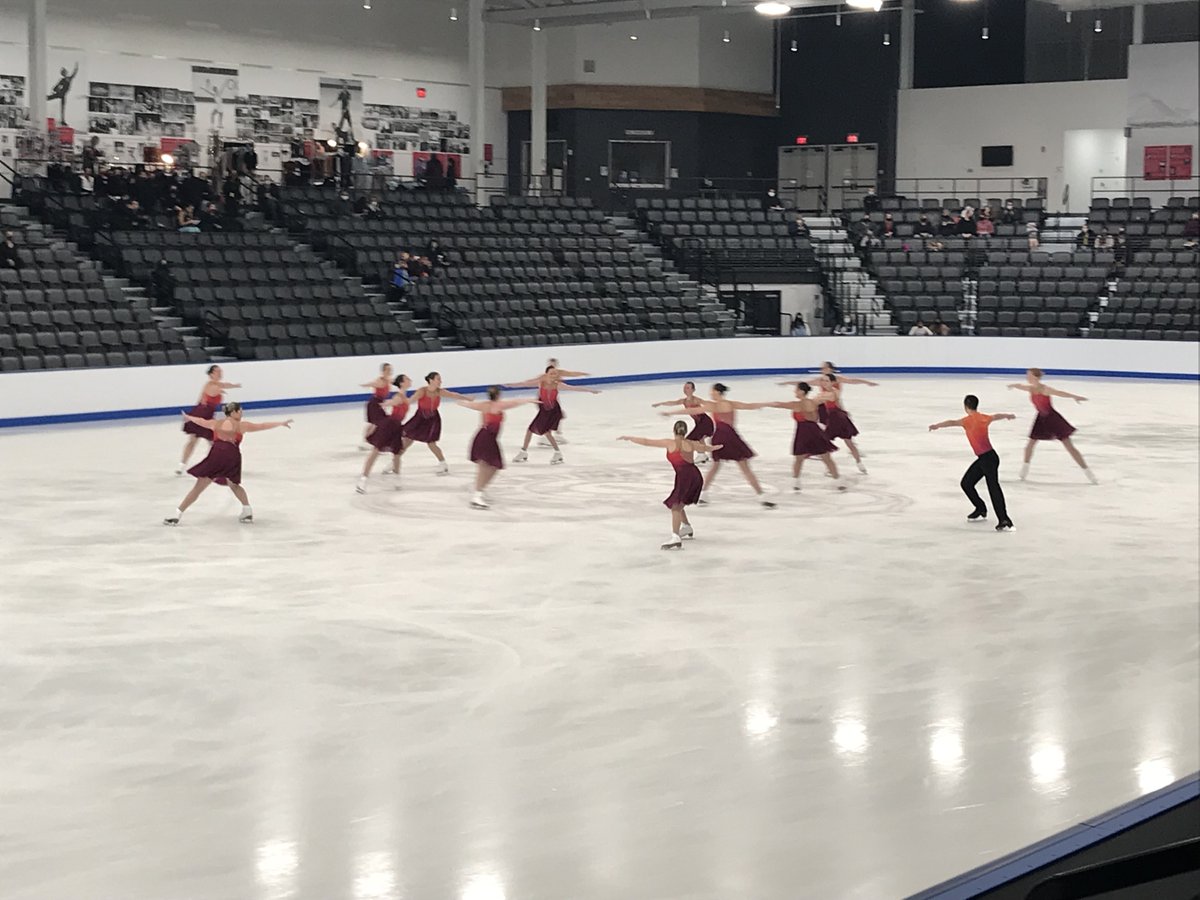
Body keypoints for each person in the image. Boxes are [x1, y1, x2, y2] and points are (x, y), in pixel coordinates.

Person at [164, 403, 292, 526]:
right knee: (234, 485)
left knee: (198, 487)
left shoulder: (216, 423)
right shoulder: (242, 426)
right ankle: (247, 511)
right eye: (240, 411)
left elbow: (201, 421)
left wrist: (188, 417)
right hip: (233, 456)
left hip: (217, 455)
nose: (241, 413)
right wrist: (280, 423)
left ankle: (177, 514)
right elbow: (262, 425)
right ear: (233, 412)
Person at [661, 384, 775, 508]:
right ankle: (761, 496)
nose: (711, 394)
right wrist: (764, 404)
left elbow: (692, 410)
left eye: (712, 391)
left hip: (720, 438)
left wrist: (671, 413)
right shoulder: (731, 404)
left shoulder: (713, 405)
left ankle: (703, 494)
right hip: (732, 438)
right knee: (744, 468)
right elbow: (749, 406)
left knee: (715, 467)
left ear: (717, 392)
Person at [618, 420, 722, 549]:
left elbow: (647, 441)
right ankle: (686, 526)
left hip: (686, 478)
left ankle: (675, 537)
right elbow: (706, 448)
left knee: (675, 506)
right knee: (678, 502)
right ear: (685, 431)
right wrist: (716, 448)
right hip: (692, 476)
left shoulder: (669, 443)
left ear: (674, 431)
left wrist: (630, 438)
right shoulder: (690, 443)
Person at [928, 394, 1016, 532]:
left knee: (993, 487)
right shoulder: (984, 417)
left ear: (965, 407)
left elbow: (951, 422)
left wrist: (936, 426)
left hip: (988, 459)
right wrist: (1007, 415)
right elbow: (996, 416)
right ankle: (981, 508)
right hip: (986, 458)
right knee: (967, 483)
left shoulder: (966, 421)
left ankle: (1004, 520)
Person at [1007, 368, 1098, 483]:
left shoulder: (1045, 389)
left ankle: (1089, 473)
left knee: (1069, 447)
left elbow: (1060, 393)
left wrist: (1075, 396)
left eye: (1029, 375)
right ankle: (1024, 472)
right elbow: (1020, 385)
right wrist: (1013, 385)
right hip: (1041, 419)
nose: (1027, 377)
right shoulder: (1030, 388)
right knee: (1030, 445)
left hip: (1053, 419)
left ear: (1035, 377)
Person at [458, 387, 540, 510]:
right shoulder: (498, 405)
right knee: (486, 467)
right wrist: (529, 400)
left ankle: (479, 490)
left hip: (484, 437)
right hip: (487, 438)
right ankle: (477, 495)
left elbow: (469, 405)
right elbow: (515, 402)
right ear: (499, 395)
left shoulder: (483, 405)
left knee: (492, 466)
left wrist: (463, 401)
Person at [755, 383, 842, 492]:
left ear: (801, 391)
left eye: (796, 390)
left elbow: (779, 404)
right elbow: (817, 415)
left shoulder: (797, 405)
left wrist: (764, 404)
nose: (794, 392)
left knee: (799, 459)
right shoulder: (813, 402)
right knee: (826, 458)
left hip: (803, 432)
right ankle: (838, 482)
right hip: (815, 431)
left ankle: (796, 483)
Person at [789, 363, 876, 473]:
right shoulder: (825, 386)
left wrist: (867, 382)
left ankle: (857, 463)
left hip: (836, 418)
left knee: (844, 442)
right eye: (823, 381)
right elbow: (805, 385)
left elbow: (851, 382)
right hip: (831, 415)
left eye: (824, 368)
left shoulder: (832, 390)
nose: (823, 382)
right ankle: (839, 465)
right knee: (832, 441)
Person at [509, 365, 600, 464]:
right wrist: (511, 385)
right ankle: (549, 453)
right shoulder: (540, 382)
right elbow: (525, 384)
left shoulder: (558, 384)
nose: (553, 375)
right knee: (535, 431)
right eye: (551, 373)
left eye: (555, 373)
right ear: (546, 374)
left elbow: (573, 388)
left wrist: (590, 390)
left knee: (541, 431)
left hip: (553, 411)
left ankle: (530, 452)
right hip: (544, 411)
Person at [401, 371, 473, 475]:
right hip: (420, 418)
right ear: (431, 380)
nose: (440, 381)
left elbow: (453, 395)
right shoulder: (422, 391)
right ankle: (394, 461)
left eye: (440, 379)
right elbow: (410, 400)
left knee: (431, 443)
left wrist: (467, 398)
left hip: (433, 419)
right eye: (438, 379)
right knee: (407, 440)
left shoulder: (439, 391)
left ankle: (443, 464)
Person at [176, 365, 241, 475]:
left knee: (206, 441)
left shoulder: (215, 385)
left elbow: (222, 387)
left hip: (205, 415)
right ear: (211, 374)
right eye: (217, 371)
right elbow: (216, 390)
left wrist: (235, 386)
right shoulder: (211, 385)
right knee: (207, 442)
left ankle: (183, 466)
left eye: (220, 371)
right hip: (202, 414)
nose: (220, 373)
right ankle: (215, 466)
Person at [356, 374, 413, 493]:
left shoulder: (404, 396)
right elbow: (393, 401)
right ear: (402, 383)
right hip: (389, 425)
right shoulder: (399, 396)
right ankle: (363, 480)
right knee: (376, 451)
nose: (410, 380)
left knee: (397, 454)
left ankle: (397, 479)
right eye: (407, 379)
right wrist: (385, 404)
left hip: (397, 426)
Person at [651, 381, 714, 464]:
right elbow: (673, 402)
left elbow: (706, 404)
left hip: (705, 422)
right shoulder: (684, 401)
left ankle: (701, 455)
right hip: (699, 423)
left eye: (688, 388)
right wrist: (660, 403)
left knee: (691, 439)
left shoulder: (696, 400)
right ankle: (702, 455)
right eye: (684, 388)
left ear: (693, 390)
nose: (685, 389)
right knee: (698, 438)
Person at [359, 362, 394, 446]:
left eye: (390, 369)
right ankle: (367, 440)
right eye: (388, 370)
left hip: (379, 403)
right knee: (376, 423)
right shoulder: (380, 381)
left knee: (376, 423)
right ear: (383, 371)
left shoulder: (388, 380)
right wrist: (365, 385)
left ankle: (368, 441)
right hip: (374, 403)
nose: (390, 371)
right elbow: (373, 383)